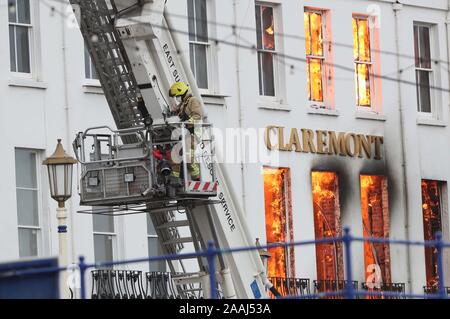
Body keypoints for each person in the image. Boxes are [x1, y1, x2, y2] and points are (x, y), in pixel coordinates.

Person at [168, 82, 204, 182]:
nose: (177, 98)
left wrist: (186, 122)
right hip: (183, 133)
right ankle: (175, 179)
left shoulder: (193, 101)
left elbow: (197, 116)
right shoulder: (183, 104)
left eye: (177, 96)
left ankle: (197, 179)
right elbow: (180, 117)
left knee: (188, 158)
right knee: (174, 154)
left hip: (193, 133)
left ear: (182, 93)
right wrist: (174, 113)